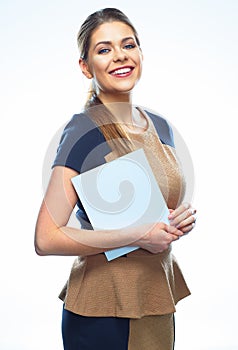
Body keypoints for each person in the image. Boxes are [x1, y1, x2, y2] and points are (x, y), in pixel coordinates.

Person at [35, 7, 197, 350]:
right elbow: (46, 239)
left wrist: (176, 220)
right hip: (104, 309)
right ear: (85, 66)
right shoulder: (84, 130)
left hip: (155, 296)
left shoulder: (159, 125)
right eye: (104, 49)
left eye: (129, 45)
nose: (120, 56)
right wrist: (139, 235)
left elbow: (152, 209)